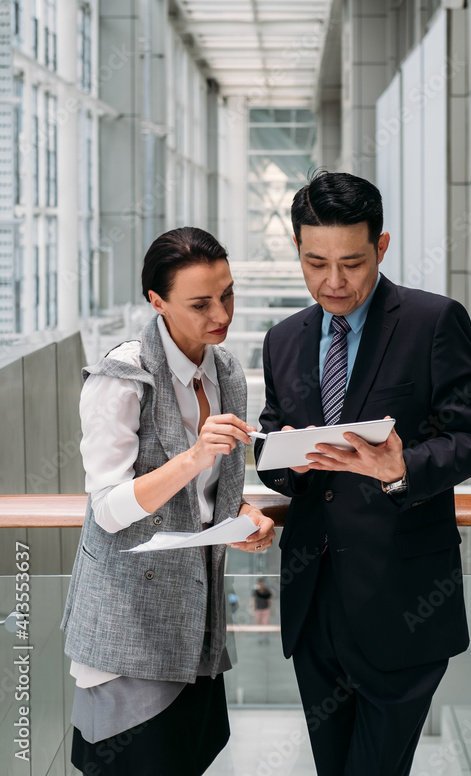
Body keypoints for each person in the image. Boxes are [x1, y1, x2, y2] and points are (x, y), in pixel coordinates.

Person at [255, 171, 471, 776]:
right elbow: (273, 439)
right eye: (315, 263)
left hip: (404, 605)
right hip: (313, 611)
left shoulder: (433, 322)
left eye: (353, 263)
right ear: (298, 250)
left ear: (381, 247)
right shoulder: (282, 339)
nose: (333, 282)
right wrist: (282, 459)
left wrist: (401, 467)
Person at [61, 227, 275, 776]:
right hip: (128, 618)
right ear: (157, 302)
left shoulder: (225, 369)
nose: (219, 313)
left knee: (189, 756)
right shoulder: (123, 375)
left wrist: (243, 513)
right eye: (200, 303)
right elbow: (108, 509)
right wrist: (194, 457)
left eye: (226, 294)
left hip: (195, 618)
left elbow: (209, 495)